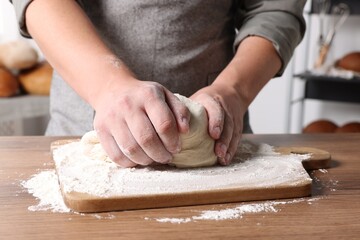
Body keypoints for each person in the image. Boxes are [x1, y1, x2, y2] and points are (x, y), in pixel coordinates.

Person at [11, 0, 306, 167]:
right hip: (80, 136)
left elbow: (274, 9)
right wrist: (107, 87)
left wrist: (233, 91)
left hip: (217, 148)